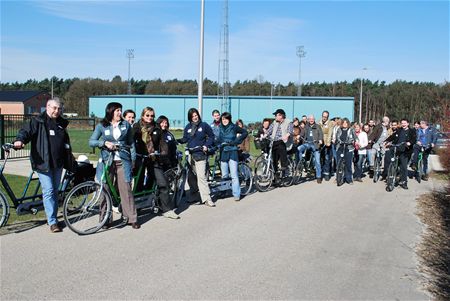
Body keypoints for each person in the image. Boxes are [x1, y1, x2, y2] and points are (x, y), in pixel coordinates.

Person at [14, 98, 73, 233]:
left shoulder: (61, 124)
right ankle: (52, 222)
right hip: (43, 164)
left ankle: (52, 216)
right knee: (49, 191)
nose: (57, 111)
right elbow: (25, 132)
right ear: (47, 107)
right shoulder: (38, 121)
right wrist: (19, 140)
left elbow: (65, 143)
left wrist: (69, 157)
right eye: (54, 108)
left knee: (55, 191)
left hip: (57, 164)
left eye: (59, 109)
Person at [89, 102, 140, 229]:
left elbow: (131, 143)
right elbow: (91, 141)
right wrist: (104, 143)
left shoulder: (126, 125)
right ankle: (105, 220)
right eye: (117, 110)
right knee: (104, 189)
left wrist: (133, 159)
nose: (119, 113)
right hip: (107, 161)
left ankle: (131, 218)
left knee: (126, 189)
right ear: (110, 111)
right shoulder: (102, 125)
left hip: (123, 160)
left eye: (120, 110)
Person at [133, 108, 179, 219]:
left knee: (163, 183)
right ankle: (137, 208)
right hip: (140, 158)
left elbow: (162, 143)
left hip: (153, 159)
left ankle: (166, 209)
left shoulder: (157, 128)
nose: (150, 118)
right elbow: (131, 141)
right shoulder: (136, 127)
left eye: (152, 116)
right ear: (143, 115)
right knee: (138, 185)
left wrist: (163, 152)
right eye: (147, 115)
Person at [178, 108, 215, 207]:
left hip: (200, 154)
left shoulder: (204, 125)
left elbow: (211, 136)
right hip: (190, 154)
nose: (195, 117)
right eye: (193, 116)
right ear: (190, 117)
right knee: (191, 176)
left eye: (196, 115)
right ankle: (194, 195)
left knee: (201, 176)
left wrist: (206, 145)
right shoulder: (188, 127)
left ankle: (207, 198)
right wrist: (178, 141)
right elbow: (185, 138)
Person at [217, 112, 248, 201]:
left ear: (229, 119)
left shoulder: (234, 127)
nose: (224, 121)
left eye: (226, 119)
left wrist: (236, 142)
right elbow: (219, 139)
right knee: (224, 175)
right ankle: (223, 191)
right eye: (223, 119)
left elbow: (245, 132)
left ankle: (236, 194)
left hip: (233, 152)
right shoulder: (220, 128)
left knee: (234, 175)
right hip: (223, 152)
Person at [382, 118, 416, 189]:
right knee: (391, 161)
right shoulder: (399, 130)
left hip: (405, 151)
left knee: (403, 166)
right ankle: (391, 174)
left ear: (408, 124)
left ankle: (404, 182)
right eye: (402, 123)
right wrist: (386, 141)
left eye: (405, 123)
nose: (403, 124)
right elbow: (393, 136)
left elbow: (414, 139)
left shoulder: (411, 131)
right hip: (397, 149)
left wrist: (409, 143)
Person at [267, 109, 294, 180]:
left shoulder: (289, 122)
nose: (275, 116)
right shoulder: (274, 122)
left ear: (281, 116)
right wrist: (263, 136)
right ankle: (276, 175)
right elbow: (269, 131)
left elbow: (290, 131)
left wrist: (286, 136)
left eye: (276, 115)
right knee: (274, 159)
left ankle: (284, 165)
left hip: (284, 142)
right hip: (274, 142)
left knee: (281, 145)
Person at [297, 115, 324, 183]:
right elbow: (302, 132)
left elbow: (321, 134)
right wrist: (299, 136)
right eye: (310, 119)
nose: (311, 120)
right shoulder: (306, 126)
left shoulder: (318, 126)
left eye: (312, 119)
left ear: (314, 119)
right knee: (299, 148)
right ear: (308, 120)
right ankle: (302, 162)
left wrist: (320, 140)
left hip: (315, 144)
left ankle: (318, 176)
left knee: (317, 161)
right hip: (307, 143)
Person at [334, 118, 358, 185]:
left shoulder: (351, 130)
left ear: (348, 123)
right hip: (340, 147)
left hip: (348, 148)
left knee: (348, 164)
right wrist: (339, 141)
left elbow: (355, 137)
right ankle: (338, 178)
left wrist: (354, 141)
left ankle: (349, 179)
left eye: (346, 123)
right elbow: (337, 137)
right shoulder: (339, 129)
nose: (345, 124)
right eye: (343, 123)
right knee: (338, 164)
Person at [319, 110, 334, 181]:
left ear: (328, 117)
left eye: (326, 116)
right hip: (319, 143)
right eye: (323, 116)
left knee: (327, 158)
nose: (324, 117)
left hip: (327, 143)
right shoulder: (319, 122)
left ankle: (327, 173)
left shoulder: (330, 123)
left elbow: (330, 133)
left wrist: (328, 142)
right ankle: (320, 172)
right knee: (320, 158)